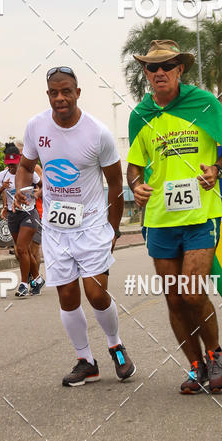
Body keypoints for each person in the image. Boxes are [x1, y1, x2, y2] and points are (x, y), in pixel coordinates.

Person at [126, 40, 222, 395]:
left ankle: (215, 354)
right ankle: (195, 365)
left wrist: (216, 170)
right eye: (152, 67)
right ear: (146, 74)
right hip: (159, 219)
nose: (159, 72)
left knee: (192, 292)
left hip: (200, 215)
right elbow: (134, 167)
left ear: (180, 69)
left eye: (167, 66)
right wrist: (137, 185)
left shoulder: (204, 105)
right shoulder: (140, 115)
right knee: (174, 298)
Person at [14, 66, 136, 387]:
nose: (60, 98)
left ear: (78, 93)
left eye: (66, 91)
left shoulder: (98, 133)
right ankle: (86, 360)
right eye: (54, 92)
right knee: (67, 296)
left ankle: (115, 345)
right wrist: (23, 193)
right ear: (48, 95)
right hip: (57, 228)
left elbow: (114, 184)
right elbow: (25, 167)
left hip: (93, 224)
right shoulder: (36, 127)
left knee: (96, 294)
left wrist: (113, 229)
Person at [0, 144, 44, 297]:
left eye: (14, 165)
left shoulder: (29, 172)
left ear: (19, 161)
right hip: (13, 215)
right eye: (9, 165)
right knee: (23, 251)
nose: (12, 168)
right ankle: (38, 279)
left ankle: (23, 284)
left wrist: (36, 194)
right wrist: (2, 188)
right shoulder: (2, 175)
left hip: (29, 214)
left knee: (21, 248)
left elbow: (42, 186)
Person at [15, 140, 45, 294]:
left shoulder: (35, 168)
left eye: (20, 154)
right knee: (20, 249)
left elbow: (45, 186)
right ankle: (32, 279)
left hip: (36, 212)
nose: (19, 157)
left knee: (33, 249)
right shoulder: (13, 170)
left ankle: (33, 282)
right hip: (19, 213)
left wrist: (37, 194)